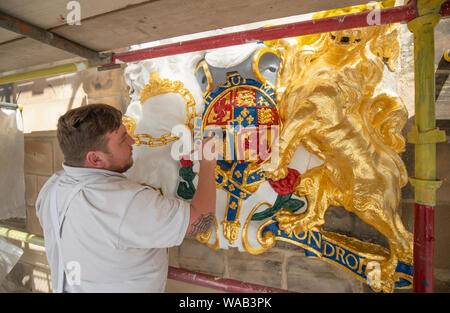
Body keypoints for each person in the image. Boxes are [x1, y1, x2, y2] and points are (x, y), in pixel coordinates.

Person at [36, 103, 217, 293]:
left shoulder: (51, 188)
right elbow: (201, 221)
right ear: (95, 159)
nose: (133, 141)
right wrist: (207, 164)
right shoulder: (125, 203)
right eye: (123, 139)